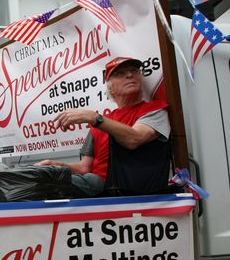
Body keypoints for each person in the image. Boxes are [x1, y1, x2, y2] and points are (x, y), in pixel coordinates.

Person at [37, 57, 170, 197]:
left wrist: (94, 118)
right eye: (120, 73)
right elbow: (84, 167)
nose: (130, 75)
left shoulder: (155, 109)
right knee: (38, 178)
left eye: (134, 71)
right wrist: (56, 166)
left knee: (41, 183)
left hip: (126, 188)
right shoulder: (99, 124)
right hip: (95, 185)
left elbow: (135, 139)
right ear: (110, 88)